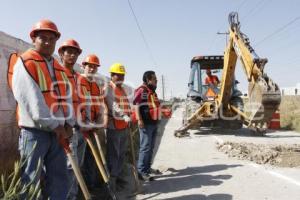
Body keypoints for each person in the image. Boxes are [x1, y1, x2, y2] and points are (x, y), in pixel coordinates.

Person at [11, 19, 75, 199]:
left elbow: (67, 98)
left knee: (59, 177)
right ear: (33, 39)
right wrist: (56, 125)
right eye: (43, 38)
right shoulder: (26, 62)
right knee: (31, 179)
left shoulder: (59, 68)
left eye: (51, 39)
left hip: (59, 132)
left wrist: (69, 123)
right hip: (35, 132)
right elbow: (32, 101)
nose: (48, 42)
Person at [58, 39, 87, 200]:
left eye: (75, 52)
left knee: (77, 167)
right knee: (70, 167)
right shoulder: (56, 72)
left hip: (79, 126)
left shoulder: (77, 77)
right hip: (65, 128)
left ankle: (74, 195)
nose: (72, 55)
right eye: (68, 51)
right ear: (61, 53)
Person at [79, 54, 108, 189]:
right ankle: (81, 189)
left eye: (95, 67)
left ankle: (91, 186)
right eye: (89, 66)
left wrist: (98, 121)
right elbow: (74, 104)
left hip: (94, 126)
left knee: (93, 157)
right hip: (80, 127)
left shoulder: (96, 86)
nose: (92, 69)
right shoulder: (77, 81)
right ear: (83, 66)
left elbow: (99, 105)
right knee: (79, 160)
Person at [104, 63, 131, 191]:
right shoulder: (109, 88)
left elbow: (126, 104)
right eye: (118, 75)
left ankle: (118, 177)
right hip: (114, 127)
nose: (121, 78)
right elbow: (112, 105)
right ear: (112, 76)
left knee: (121, 154)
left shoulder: (122, 89)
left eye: (122, 76)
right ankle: (111, 184)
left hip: (123, 126)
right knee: (113, 155)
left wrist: (129, 114)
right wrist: (123, 114)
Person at [133, 71, 161, 181]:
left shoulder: (152, 91)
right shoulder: (143, 90)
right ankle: (141, 172)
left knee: (151, 147)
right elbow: (136, 104)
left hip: (153, 123)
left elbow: (155, 106)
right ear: (148, 80)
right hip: (146, 124)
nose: (156, 81)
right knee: (145, 147)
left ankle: (147, 168)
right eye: (154, 79)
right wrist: (139, 119)